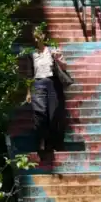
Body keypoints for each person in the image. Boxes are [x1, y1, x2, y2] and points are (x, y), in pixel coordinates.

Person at [25, 27, 69, 159]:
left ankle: (54, 143)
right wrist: (28, 92)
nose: (37, 36)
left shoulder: (52, 50)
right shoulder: (31, 53)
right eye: (34, 34)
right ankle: (41, 142)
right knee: (40, 114)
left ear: (44, 35)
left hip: (52, 83)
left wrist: (58, 58)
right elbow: (29, 74)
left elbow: (64, 67)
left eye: (39, 33)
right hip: (38, 84)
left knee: (54, 113)